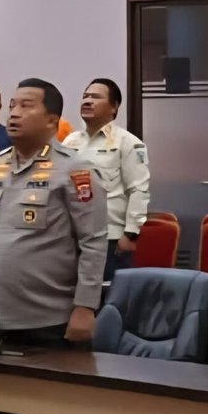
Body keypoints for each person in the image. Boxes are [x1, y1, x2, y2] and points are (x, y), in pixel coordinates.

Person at [0, 79, 107, 348]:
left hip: (51, 320)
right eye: (13, 105)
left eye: (26, 106)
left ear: (52, 120)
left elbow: (93, 244)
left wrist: (85, 307)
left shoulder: (75, 170)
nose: (14, 113)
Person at [64, 79, 150, 279]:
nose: (87, 101)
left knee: (106, 299)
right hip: (71, 236)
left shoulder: (128, 143)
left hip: (109, 237)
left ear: (114, 107)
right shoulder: (70, 142)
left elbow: (138, 190)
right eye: (85, 96)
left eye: (95, 97)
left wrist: (130, 234)